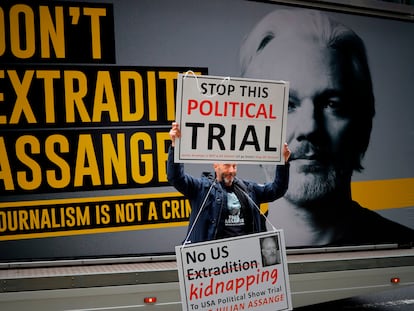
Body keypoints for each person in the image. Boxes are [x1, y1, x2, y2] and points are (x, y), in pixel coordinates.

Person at [240, 8, 414, 247]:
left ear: (364, 128)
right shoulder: (228, 264)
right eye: (285, 104)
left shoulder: (405, 248)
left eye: (332, 104)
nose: (310, 127)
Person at [167, 122, 291, 244]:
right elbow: (176, 178)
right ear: (215, 165)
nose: (231, 171)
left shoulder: (249, 189)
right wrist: (175, 146)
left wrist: (283, 163)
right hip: (213, 260)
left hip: (246, 259)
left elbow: (277, 189)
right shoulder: (201, 188)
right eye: (227, 165)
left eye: (234, 166)